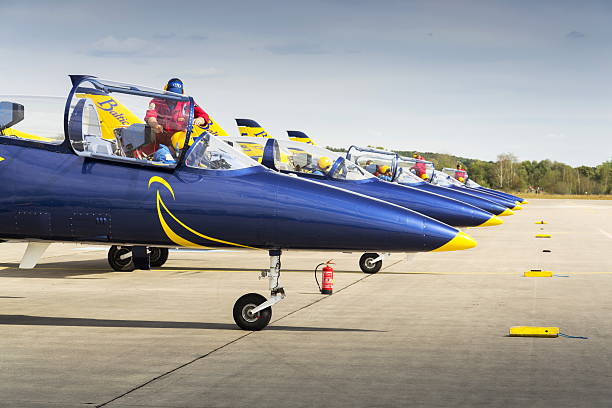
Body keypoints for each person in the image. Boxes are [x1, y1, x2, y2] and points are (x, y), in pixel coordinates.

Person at [144, 78, 211, 157]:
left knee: (192, 155)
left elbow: (204, 116)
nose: (174, 97)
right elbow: (150, 116)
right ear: (166, 91)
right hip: (159, 138)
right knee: (144, 155)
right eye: (171, 94)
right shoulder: (156, 101)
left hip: (179, 140)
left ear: (182, 93)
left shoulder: (187, 103)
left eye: (177, 95)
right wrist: (155, 125)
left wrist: (200, 119)